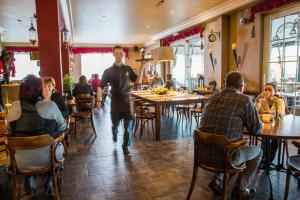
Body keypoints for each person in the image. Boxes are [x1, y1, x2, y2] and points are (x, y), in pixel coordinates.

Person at [199, 71, 262, 198]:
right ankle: (241, 190)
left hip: (202, 154)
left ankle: (219, 180)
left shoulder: (212, 98)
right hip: (225, 158)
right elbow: (256, 130)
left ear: (225, 84)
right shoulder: (245, 100)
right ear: (242, 86)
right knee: (258, 152)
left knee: (228, 141)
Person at [7, 75, 66, 194]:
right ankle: (51, 178)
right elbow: (63, 127)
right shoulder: (50, 106)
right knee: (57, 144)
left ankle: (29, 178)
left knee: (26, 153)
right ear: (39, 90)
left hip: (19, 162)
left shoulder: (13, 108)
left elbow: (10, 133)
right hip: (49, 158)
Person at [96, 45, 145, 154]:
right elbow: (100, 86)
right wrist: (98, 100)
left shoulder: (128, 69)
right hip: (115, 102)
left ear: (123, 54)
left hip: (127, 101)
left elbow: (137, 82)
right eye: (116, 53)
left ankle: (125, 146)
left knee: (128, 126)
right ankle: (114, 132)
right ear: (113, 54)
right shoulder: (108, 71)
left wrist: (142, 67)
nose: (119, 55)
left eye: (120, 53)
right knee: (115, 125)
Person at [256, 83, 285, 163]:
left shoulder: (279, 100)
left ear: (274, 91)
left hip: (277, 125)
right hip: (265, 125)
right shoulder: (262, 100)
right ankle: (264, 159)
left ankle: (269, 160)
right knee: (265, 138)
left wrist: (266, 113)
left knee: (275, 139)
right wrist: (258, 98)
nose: (267, 91)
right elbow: (256, 111)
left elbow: (279, 114)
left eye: (270, 89)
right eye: (265, 90)